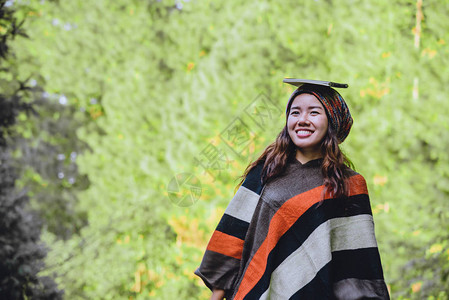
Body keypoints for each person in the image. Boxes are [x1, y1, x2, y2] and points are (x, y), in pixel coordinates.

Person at [194, 80, 390, 300]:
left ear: (332, 122)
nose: (302, 120)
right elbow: (231, 240)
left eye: (314, 112)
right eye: (295, 112)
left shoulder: (350, 184)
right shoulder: (265, 173)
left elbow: (358, 262)